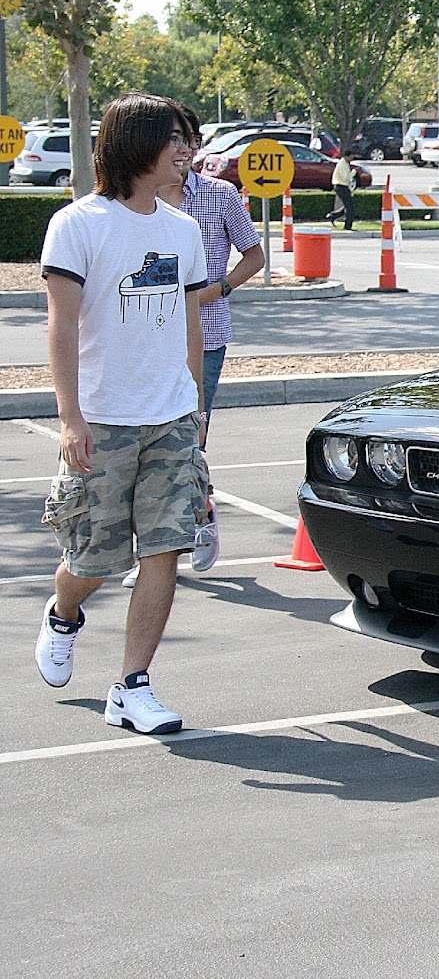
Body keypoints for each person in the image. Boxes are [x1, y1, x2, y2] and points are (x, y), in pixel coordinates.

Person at [34, 92, 210, 734]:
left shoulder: (183, 230)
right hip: (103, 418)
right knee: (96, 559)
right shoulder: (78, 225)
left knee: (165, 548)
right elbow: (62, 324)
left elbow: (190, 323)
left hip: (169, 417)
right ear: (138, 145)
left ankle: (132, 686)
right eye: (176, 140)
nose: (187, 152)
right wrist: (71, 418)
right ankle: (63, 613)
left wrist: (194, 411)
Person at [123, 103, 265, 588]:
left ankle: (200, 522)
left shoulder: (220, 195)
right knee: (145, 445)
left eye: (188, 139)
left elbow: (254, 256)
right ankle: (151, 554)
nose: (182, 149)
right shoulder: (135, 200)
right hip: (146, 337)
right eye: (173, 139)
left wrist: (217, 288)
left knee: (188, 441)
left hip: (204, 336)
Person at [328, 151, 356, 230]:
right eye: (351, 156)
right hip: (340, 186)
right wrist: (354, 172)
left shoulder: (346, 163)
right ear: (346, 156)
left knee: (347, 206)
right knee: (350, 208)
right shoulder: (341, 164)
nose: (352, 158)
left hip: (344, 186)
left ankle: (333, 215)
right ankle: (347, 226)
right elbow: (345, 178)